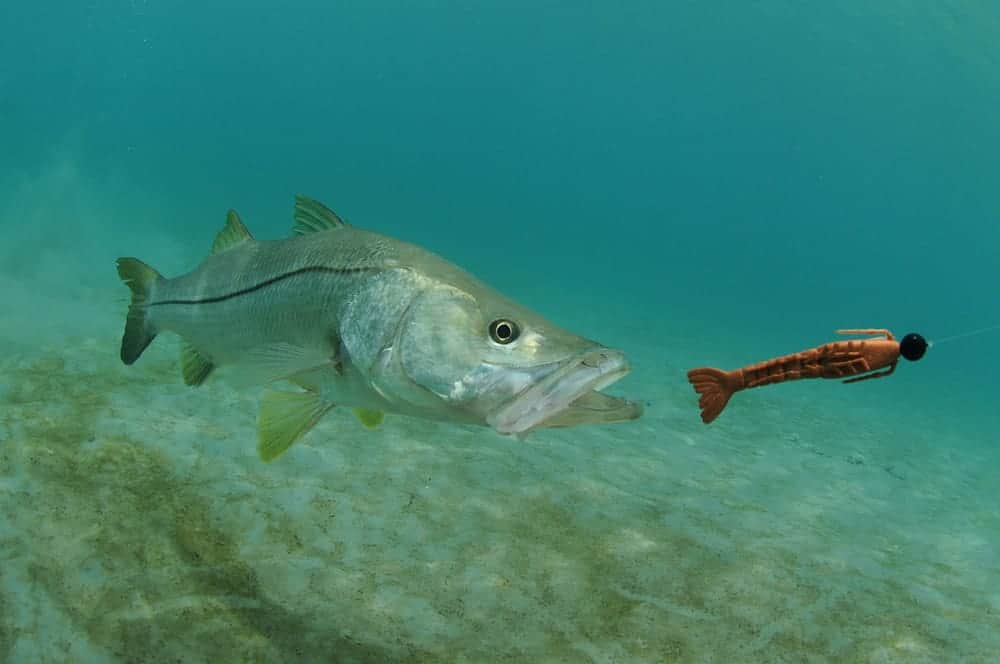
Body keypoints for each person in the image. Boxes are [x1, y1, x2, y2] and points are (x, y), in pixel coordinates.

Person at [687, 329, 927, 424]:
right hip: (828, 365)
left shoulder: (887, 346)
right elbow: (867, 376)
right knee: (792, 369)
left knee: (791, 366)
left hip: (827, 363)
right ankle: (729, 382)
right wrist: (853, 378)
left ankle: (731, 382)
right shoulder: (890, 362)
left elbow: (866, 341)